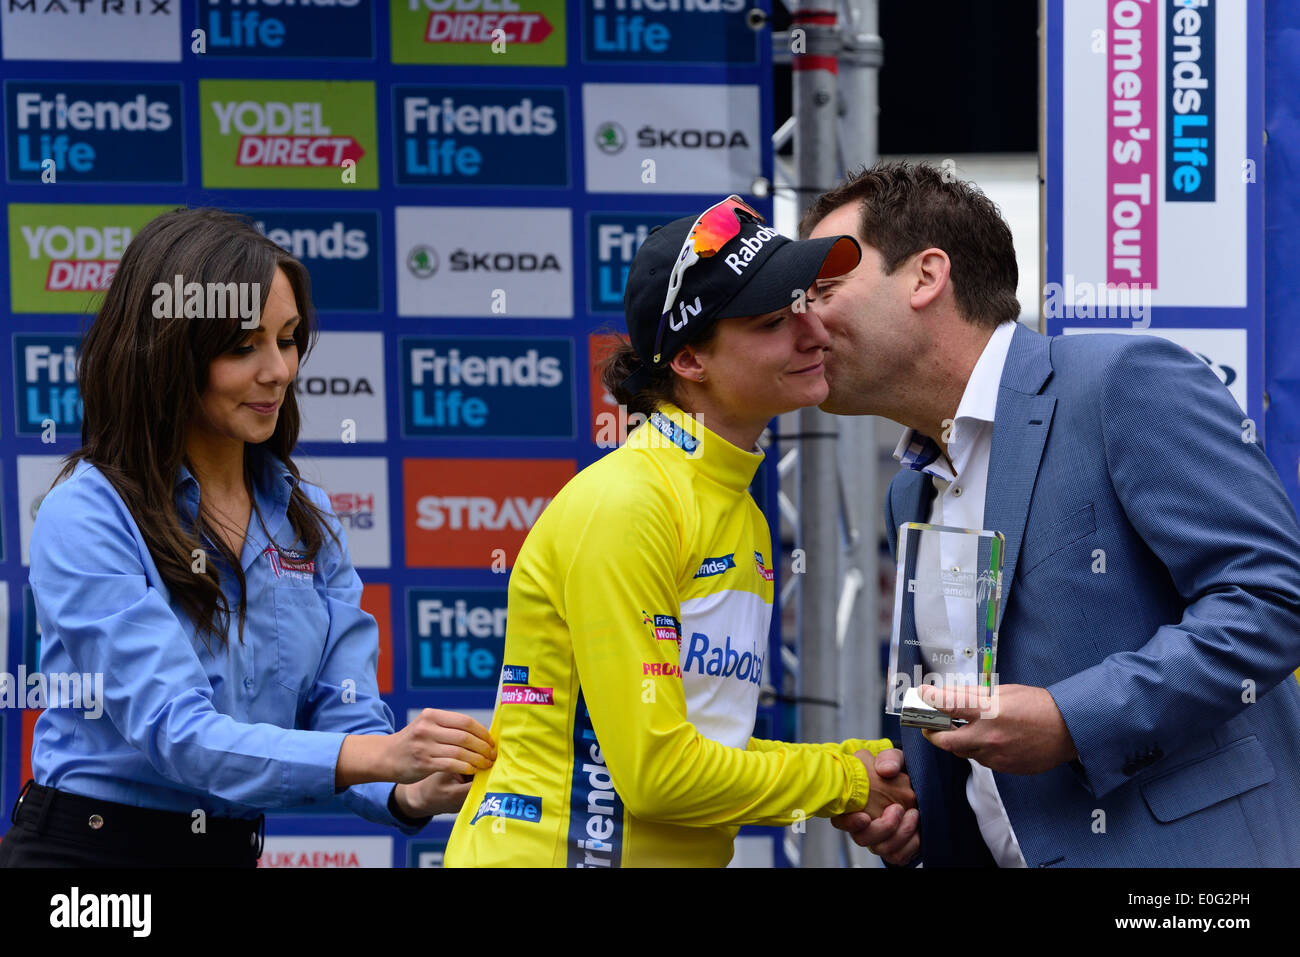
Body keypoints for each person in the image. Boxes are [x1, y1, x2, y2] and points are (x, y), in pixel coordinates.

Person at [801, 161, 1300, 867]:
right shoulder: (908, 491)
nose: (803, 317)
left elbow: (1272, 597)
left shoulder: (1120, 381)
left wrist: (1073, 720)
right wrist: (912, 810)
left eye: (824, 287)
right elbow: (967, 706)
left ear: (926, 275)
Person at [0, 207, 495, 868]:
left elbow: (345, 719)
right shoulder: (86, 513)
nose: (279, 370)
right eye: (243, 347)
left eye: (288, 339)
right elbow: (183, 735)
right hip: (87, 861)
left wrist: (409, 790)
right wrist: (383, 754)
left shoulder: (306, 515)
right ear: (167, 352)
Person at [444, 196, 915, 867]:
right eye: (776, 321)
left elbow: (701, 745)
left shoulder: (735, 504)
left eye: (807, 304)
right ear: (691, 359)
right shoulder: (631, 501)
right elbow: (658, 775)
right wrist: (841, 781)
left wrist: (849, 772)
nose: (814, 333)